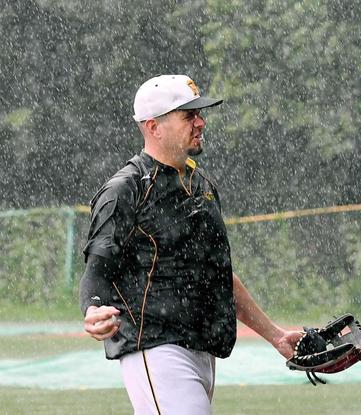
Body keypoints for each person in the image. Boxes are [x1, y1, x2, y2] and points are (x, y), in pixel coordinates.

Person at [79, 74, 302, 415]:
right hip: (154, 346)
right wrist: (93, 309)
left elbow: (218, 274)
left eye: (199, 113)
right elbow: (98, 271)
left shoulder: (202, 185)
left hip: (202, 347)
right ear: (154, 126)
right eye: (188, 115)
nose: (201, 121)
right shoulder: (126, 190)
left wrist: (274, 335)